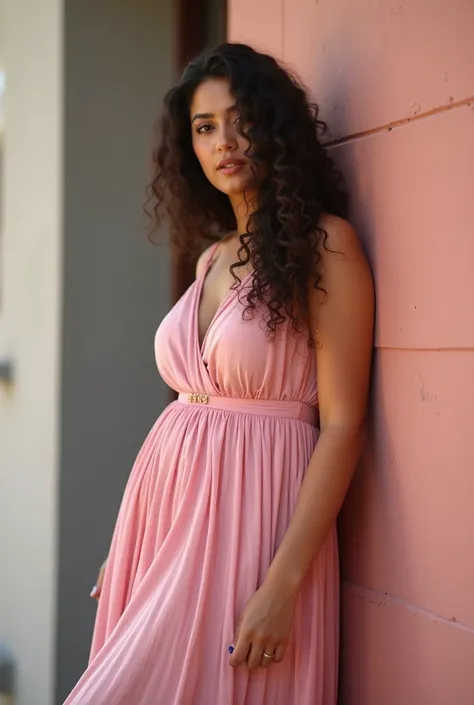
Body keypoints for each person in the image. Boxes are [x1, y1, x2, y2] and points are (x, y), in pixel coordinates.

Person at [64, 42, 374, 705]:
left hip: (255, 530)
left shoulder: (328, 245)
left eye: (241, 119)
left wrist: (283, 584)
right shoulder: (210, 258)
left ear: (275, 128)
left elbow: (343, 424)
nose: (224, 141)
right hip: (165, 530)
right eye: (204, 127)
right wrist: (136, 540)